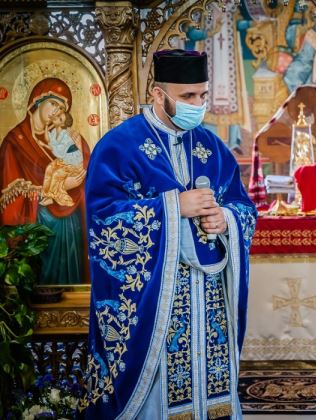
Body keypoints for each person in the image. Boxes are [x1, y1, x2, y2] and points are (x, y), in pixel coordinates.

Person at [82, 49, 257, 419]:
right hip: (157, 300)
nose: (198, 105)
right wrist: (174, 207)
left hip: (208, 299)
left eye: (203, 95)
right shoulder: (119, 146)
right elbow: (102, 220)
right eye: (188, 96)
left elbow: (243, 206)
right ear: (158, 95)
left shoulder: (211, 145)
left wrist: (225, 220)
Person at [0, 77, 89, 285]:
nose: (57, 111)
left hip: (69, 221)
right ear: (36, 101)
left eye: (61, 108)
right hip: (36, 220)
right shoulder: (15, 142)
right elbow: (11, 195)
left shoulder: (66, 136)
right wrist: (59, 187)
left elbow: (85, 170)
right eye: (53, 104)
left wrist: (73, 184)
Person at [41, 112, 84, 207]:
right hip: (65, 160)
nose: (56, 118)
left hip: (73, 162)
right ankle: (46, 193)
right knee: (49, 168)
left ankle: (52, 198)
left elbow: (59, 153)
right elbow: (48, 139)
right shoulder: (54, 132)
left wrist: (44, 145)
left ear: (62, 124)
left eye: (60, 119)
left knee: (56, 174)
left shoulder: (66, 136)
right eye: (58, 116)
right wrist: (47, 127)